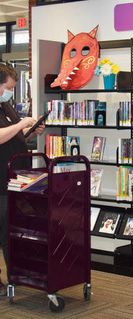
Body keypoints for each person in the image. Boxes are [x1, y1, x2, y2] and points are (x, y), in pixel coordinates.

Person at [0, 64, 44, 294]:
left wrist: (30, 130)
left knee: (12, 231)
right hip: (0, 181)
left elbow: (14, 136)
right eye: (8, 87)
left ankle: (15, 276)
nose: (11, 91)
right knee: (2, 230)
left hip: (16, 178)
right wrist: (20, 124)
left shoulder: (6, 105)